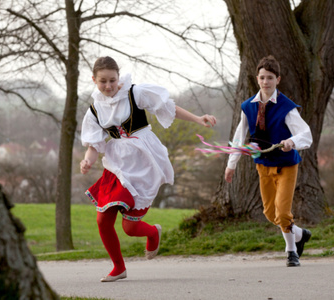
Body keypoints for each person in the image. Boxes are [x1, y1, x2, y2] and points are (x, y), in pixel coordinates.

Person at [80, 56, 217, 282]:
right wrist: (88, 160)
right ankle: (118, 267)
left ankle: (152, 232)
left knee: (129, 228)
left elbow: (169, 107)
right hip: (117, 165)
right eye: (102, 81)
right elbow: (94, 146)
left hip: (143, 161)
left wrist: (197, 119)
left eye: (112, 80)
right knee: (103, 220)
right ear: (94, 80)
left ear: (118, 78)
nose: (108, 86)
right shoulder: (94, 110)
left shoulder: (135, 93)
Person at [224, 55, 313, 267]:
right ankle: (300, 233)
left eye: (270, 78)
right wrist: (231, 165)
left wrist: (292, 141)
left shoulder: (287, 107)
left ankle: (291, 251)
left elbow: (306, 134)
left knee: (282, 212)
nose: (266, 82)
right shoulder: (248, 106)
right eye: (262, 77)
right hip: (263, 166)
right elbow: (239, 136)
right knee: (270, 213)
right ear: (257, 79)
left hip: (286, 165)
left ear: (278, 80)